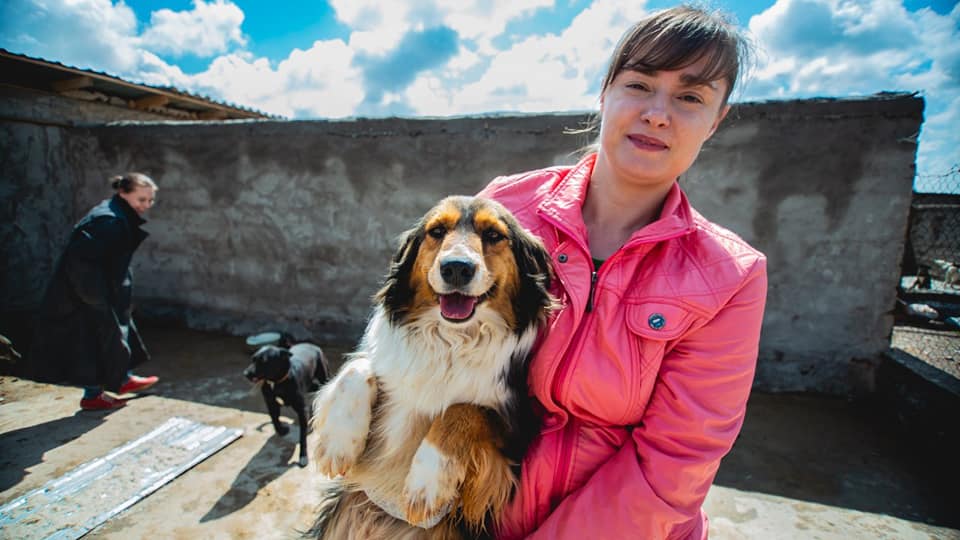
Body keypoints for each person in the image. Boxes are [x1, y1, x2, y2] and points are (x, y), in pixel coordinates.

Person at [477, 6, 767, 539]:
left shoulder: (731, 277)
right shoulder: (502, 211)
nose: (657, 114)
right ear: (605, 92)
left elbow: (676, 463)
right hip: (474, 516)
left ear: (716, 120)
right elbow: (428, 351)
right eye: (639, 85)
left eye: (690, 97)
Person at [30, 172, 161, 411]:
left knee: (115, 336)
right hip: (86, 295)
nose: (146, 205)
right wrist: (97, 300)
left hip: (100, 292)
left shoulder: (116, 213)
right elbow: (81, 264)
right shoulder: (108, 220)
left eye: (150, 200)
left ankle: (123, 378)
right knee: (92, 344)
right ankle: (93, 396)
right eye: (141, 199)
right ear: (123, 192)